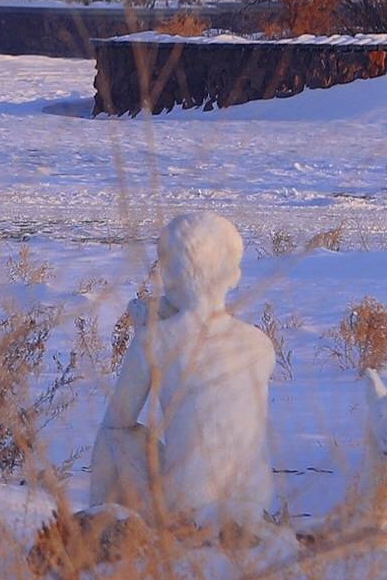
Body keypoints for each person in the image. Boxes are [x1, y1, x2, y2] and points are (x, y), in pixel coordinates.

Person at [87, 212, 280, 536]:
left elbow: (118, 419)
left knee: (113, 436)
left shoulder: (155, 341)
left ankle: (100, 530)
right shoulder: (261, 345)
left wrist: (148, 327)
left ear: (167, 274)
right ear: (233, 274)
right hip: (256, 503)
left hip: (187, 507)